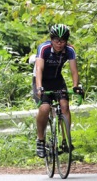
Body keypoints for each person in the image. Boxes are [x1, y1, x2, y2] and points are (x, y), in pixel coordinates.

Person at [33, 24, 84, 158]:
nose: (59, 44)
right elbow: (39, 69)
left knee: (65, 105)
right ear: (51, 39)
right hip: (41, 80)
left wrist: (75, 86)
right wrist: (39, 87)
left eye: (63, 40)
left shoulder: (69, 50)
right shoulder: (44, 48)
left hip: (57, 80)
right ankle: (40, 140)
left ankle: (66, 140)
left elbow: (74, 71)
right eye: (56, 40)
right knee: (44, 108)